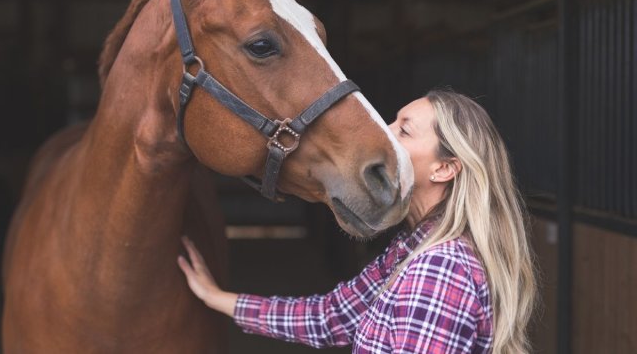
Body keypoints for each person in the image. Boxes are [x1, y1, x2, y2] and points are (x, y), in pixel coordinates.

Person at [178, 89, 538, 354]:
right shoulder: (411, 248)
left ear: (444, 169)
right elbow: (330, 316)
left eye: (404, 130)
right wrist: (219, 298)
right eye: (393, 121)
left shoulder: (439, 269)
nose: (384, 131)